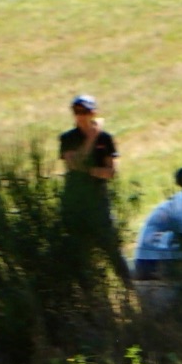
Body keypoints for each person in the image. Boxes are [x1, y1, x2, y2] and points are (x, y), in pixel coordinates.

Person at [58, 95, 129, 283]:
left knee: (112, 248)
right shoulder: (68, 138)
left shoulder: (106, 139)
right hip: (74, 201)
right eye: (77, 112)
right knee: (78, 250)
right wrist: (91, 138)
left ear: (94, 113)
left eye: (85, 111)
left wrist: (90, 170)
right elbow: (74, 163)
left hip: (98, 201)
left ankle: (131, 287)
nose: (81, 116)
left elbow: (111, 171)